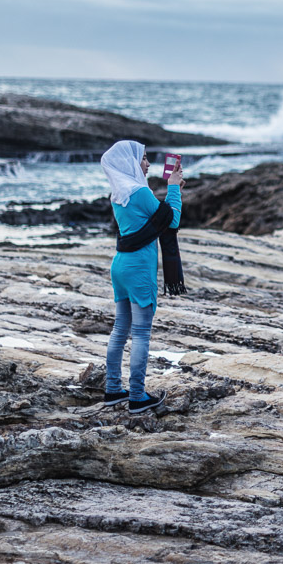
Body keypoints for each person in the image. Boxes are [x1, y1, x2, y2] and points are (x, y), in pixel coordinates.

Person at [100, 140, 182, 414]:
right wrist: (173, 187)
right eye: (144, 158)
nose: (147, 164)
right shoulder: (140, 192)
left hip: (120, 265)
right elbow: (170, 220)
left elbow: (151, 220)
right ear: (131, 161)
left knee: (120, 329)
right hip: (138, 270)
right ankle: (137, 396)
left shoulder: (118, 194)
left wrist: (172, 188)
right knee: (141, 333)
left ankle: (113, 390)